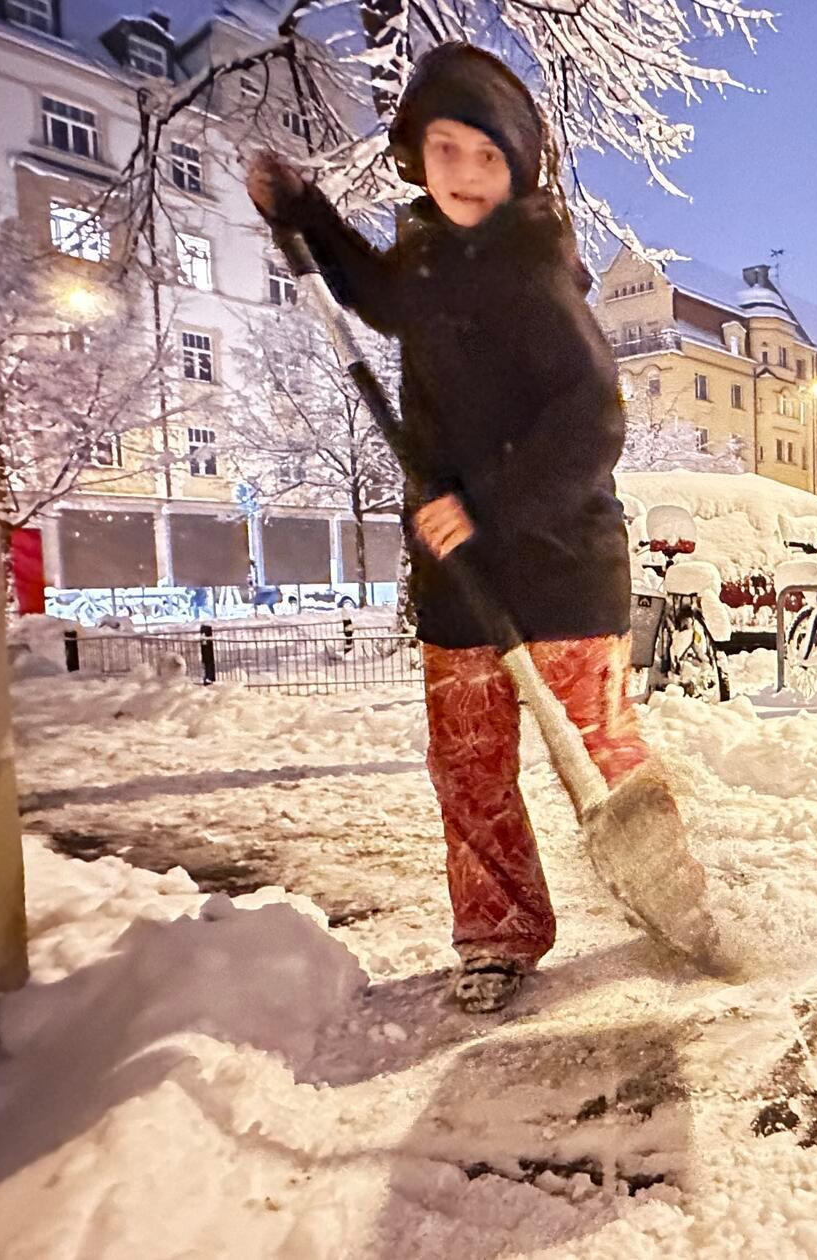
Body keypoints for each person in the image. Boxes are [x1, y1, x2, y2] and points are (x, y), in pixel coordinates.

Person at [248, 43, 678, 1014]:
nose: (467, 173)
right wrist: (305, 212)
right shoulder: (427, 258)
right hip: (456, 571)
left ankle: (673, 899)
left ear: (518, 165)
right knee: (470, 766)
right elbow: (375, 294)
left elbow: (592, 421)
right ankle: (497, 934)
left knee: (600, 752)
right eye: (446, 149)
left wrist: (482, 500)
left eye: (488, 155)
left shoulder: (534, 271)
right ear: (418, 155)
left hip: (558, 564)